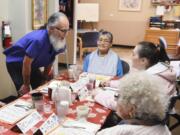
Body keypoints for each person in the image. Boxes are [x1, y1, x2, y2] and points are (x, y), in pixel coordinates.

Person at [3, 12, 69, 96]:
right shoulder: (38, 40)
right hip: (16, 63)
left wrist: (44, 78)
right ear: (51, 28)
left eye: (67, 30)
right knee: (25, 93)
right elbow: (26, 63)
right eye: (63, 31)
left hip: (32, 63)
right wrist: (26, 85)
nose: (65, 34)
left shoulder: (58, 40)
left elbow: (51, 59)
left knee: (41, 88)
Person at [97, 72, 171, 135]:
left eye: (118, 96)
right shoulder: (164, 129)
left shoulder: (116, 132)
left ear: (131, 109)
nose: (116, 100)